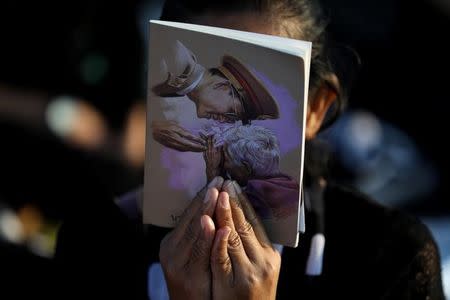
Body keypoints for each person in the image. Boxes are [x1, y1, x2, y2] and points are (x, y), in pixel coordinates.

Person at [54, 0, 445, 299]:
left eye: (245, 115)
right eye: (207, 113)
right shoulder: (98, 245)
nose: (223, 128)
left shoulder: (389, 258)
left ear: (314, 109)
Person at [150, 40, 280, 152]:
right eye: (230, 112)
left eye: (231, 120)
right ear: (223, 86)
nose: (222, 120)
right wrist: (152, 129)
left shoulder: (181, 88)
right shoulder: (174, 58)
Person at [204, 125, 299, 219]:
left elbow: (217, 217)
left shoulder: (255, 197)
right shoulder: (286, 184)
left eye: (226, 159)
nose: (223, 163)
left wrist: (212, 171)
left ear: (246, 168)